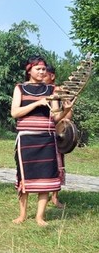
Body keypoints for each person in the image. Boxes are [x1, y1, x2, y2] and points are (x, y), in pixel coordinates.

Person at [11, 56, 69, 226]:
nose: (42, 72)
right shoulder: (19, 88)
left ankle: (39, 217)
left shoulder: (53, 90)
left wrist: (67, 109)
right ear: (29, 70)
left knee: (46, 177)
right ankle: (22, 215)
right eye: (38, 69)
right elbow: (15, 113)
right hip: (26, 138)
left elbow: (56, 117)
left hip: (47, 137)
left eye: (44, 69)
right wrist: (37, 103)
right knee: (24, 177)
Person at [45, 64, 67, 209]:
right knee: (43, 164)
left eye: (44, 73)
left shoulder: (60, 92)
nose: (41, 75)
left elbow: (68, 115)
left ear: (52, 76)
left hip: (57, 132)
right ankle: (43, 195)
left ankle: (54, 197)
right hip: (41, 132)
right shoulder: (38, 91)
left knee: (58, 165)